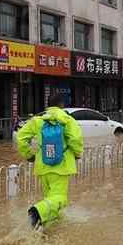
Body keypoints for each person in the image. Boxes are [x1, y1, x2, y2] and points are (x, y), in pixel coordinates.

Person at [17, 93, 84, 229]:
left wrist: (29, 155)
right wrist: (77, 154)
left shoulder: (38, 120)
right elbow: (75, 140)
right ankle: (37, 211)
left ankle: (47, 226)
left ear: (48, 105)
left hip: (43, 166)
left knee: (50, 199)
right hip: (62, 166)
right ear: (62, 105)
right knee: (60, 198)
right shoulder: (68, 120)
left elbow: (20, 137)